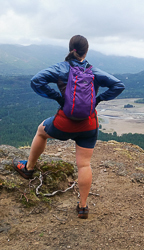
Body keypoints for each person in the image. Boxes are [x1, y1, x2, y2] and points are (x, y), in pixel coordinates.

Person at [12, 35, 125, 219]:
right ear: (86, 51)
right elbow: (118, 85)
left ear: (70, 49)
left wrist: (58, 97)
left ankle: (28, 168)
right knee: (84, 164)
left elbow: (36, 81)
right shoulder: (93, 71)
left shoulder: (60, 68)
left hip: (64, 122)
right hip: (88, 124)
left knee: (41, 132)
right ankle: (82, 207)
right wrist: (98, 99)